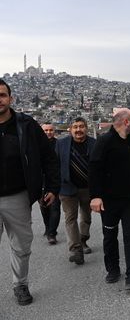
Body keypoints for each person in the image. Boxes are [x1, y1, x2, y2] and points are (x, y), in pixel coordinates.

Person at [0, 79, 60, 306]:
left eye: (2, 95)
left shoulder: (26, 125)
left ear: (10, 98)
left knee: (21, 245)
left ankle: (20, 284)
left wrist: (52, 187)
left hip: (18, 196)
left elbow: (48, 157)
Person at [89, 108, 130, 291]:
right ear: (126, 122)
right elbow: (94, 169)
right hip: (109, 200)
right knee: (110, 235)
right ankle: (113, 269)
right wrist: (96, 196)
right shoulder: (104, 141)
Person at [56, 117, 96, 265]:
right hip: (67, 187)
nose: (78, 130)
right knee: (70, 218)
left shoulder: (94, 144)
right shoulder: (61, 144)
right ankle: (76, 249)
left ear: (86, 128)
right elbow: (55, 165)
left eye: (81, 126)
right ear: (70, 129)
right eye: (75, 127)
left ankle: (83, 239)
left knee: (86, 216)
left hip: (88, 188)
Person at [40, 122, 61, 245]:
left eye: (50, 130)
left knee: (55, 206)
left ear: (54, 131)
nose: (48, 132)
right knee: (43, 207)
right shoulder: (36, 145)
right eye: (45, 130)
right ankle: (48, 227)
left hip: (54, 180)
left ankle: (52, 233)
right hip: (40, 180)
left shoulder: (59, 144)